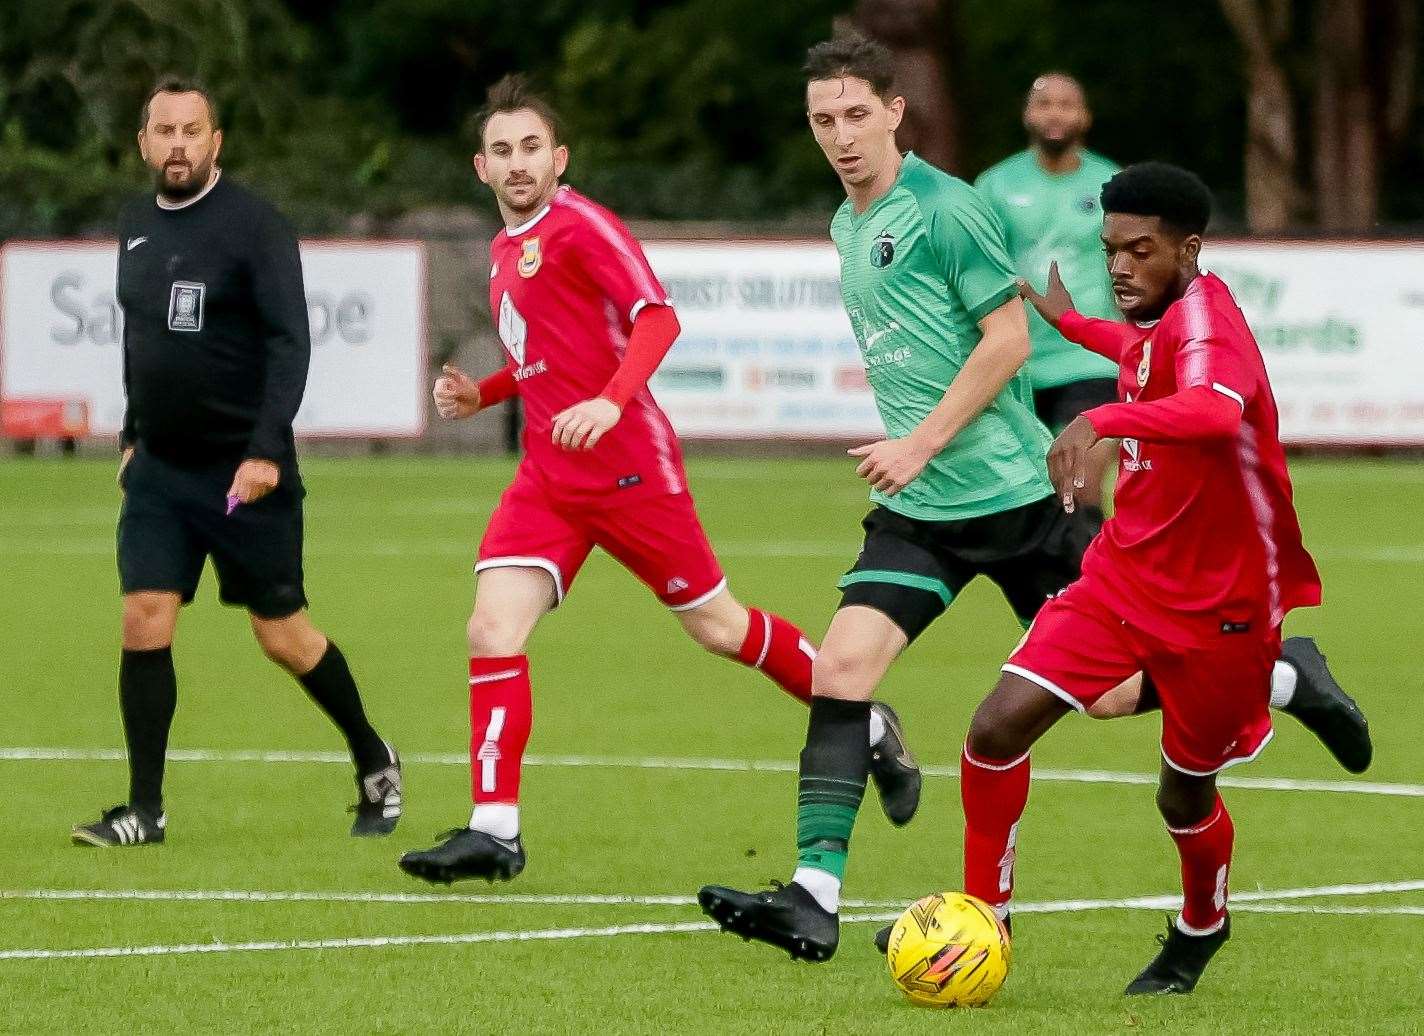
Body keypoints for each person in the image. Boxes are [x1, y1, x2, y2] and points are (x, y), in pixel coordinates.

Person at [696, 35, 1369, 966]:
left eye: (857, 114)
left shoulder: (949, 208)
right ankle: (814, 895)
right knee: (844, 668)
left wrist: (929, 440)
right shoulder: (846, 224)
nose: (841, 136)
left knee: (1109, 700)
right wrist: (931, 451)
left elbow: (1006, 343)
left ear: (896, 111)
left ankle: (1281, 674)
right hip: (925, 506)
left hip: (1017, 498)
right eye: (822, 121)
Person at [395, 75, 922, 886]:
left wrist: (609, 404)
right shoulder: (506, 249)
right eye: (502, 151)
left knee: (719, 628)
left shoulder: (582, 226)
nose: (518, 163)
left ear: (558, 157)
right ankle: (494, 830)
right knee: (489, 632)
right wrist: (484, 392)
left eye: (531, 147)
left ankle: (868, 722)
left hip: (630, 467)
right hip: (547, 479)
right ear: (481, 168)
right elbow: (543, 357)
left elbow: (657, 318)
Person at [960, 162, 1338, 994]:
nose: (1122, 265)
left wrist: (1099, 417)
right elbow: (1137, 350)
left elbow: (1211, 409)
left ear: (1189, 249)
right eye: (1110, 250)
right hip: (1124, 576)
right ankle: (983, 920)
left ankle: (1201, 927)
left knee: (1182, 798)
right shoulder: (1161, 319)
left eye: (1141, 250)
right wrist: (1074, 323)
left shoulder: (1211, 322)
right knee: (995, 730)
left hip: (1223, 600)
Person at [72, 78, 401, 848]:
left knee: (281, 634)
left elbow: (291, 343)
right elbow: (141, 338)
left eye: (192, 130)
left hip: (242, 473)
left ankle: (373, 756)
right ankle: (144, 811)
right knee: (144, 616)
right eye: (164, 130)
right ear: (144, 142)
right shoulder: (134, 224)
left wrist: (263, 451)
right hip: (160, 469)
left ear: (215, 142)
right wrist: (131, 432)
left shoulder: (255, 226)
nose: (178, 143)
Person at [976, 73, 1122, 535]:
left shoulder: (1111, 182)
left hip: (1091, 357)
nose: (1055, 114)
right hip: (1018, 359)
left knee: (1081, 492)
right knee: (1030, 498)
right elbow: (975, 271)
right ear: (1027, 114)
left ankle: (1098, 599)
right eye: (1044, 104)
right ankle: (1053, 603)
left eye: (1066, 105)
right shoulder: (995, 185)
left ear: (1085, 117)